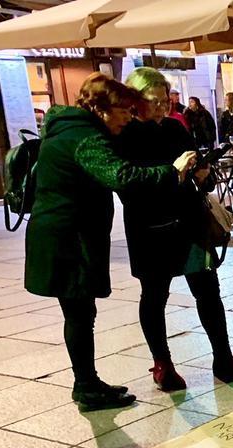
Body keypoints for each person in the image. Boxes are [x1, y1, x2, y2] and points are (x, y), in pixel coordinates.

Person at [24, 73, 196, 411]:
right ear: (104, 108)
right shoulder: (85, 137)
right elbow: (121, 176)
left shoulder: (70, 129)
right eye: (124, 111)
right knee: (78, 313)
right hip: (67, 240)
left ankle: (87, 381)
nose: (128, 118)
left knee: (81, 312)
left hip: (61, 235)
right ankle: (86, 387)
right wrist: (171, 170)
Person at [119, 68, 233, 392]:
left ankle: (223, 359)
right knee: (154, 296)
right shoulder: (121, 135)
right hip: (148, 229)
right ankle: (162, 364)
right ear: (136, 101)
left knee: (208, 290)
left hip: (189, 223)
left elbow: (201, 179)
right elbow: (126, 187)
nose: (164, 107)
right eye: (156, 101)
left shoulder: (176, 129)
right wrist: (172, 172)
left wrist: (204, 172)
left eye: (166, 100)